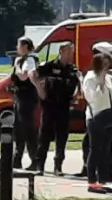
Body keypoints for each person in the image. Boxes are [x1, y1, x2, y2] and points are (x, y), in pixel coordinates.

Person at [34, 42, 79, 176]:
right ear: (61, 51)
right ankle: (39, 165)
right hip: (49, 104)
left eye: (72, 52)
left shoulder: (72, 69)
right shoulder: (49, 66)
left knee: (62, 137)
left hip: (64, 106)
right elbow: (34, 75)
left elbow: (77, 83)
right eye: (69, 52)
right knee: (44, 136)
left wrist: (76, 94)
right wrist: (40, 90)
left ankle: (58, 166)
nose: (71, 55)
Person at [81, 52, 112, 194]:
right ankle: (92, 182)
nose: (106, 66)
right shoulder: (90, 78)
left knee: (106, 150)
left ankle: (104, 180)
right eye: (103, 63)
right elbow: (94, 98)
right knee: (95, 150)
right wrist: (101, 81)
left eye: (108, 63)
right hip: (96, 118)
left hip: (109, 116)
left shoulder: (109, 77)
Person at [10, 37, 42, 170]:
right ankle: (17, 158)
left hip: (27, 98)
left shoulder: (29, 60)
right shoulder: (22, 59)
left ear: (25, 47)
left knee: (27, 128)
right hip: (20, 97)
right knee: (18, 128)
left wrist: (17, 66)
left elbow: (24, 76)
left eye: (19, 45)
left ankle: (34, 159)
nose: (17, 48)